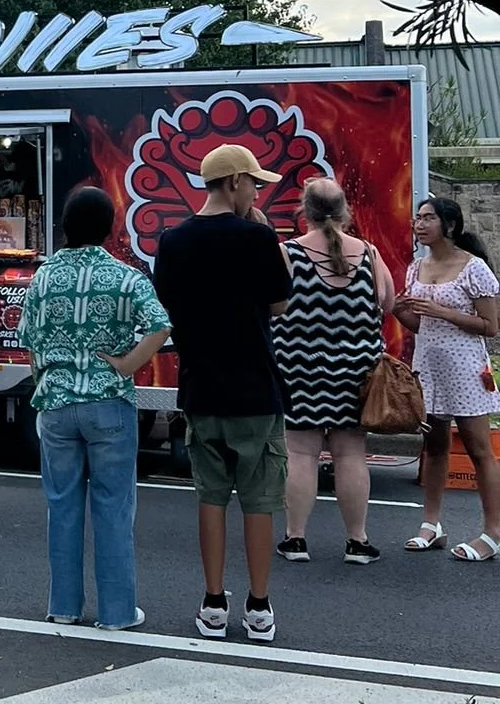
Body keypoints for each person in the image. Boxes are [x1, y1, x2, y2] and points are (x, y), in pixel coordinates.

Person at [153, 143, 291, 644]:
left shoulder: (173, 241)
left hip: (200, 387)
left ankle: (213, 604)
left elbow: (167, 304)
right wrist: (262, 233)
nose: (256, 191)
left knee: (210, 498)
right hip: (256, 387)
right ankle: (259, 608)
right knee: (258, 500)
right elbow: (278, 304)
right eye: (254, 182)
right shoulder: (258, 238)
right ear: (234, 183)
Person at [20, 186, 170, 630]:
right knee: (114, 507)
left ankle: (64, 608)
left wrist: (49, 376)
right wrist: (125, 365)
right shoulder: (126, 277)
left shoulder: (43, 278)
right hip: (108, 404)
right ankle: (118, 613)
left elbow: (29, 341)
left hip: (56, 404)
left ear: (66, 225)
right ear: (109, 228)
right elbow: (160, 326)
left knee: (62, 506)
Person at [272, 178, 396, 567]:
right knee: (350, 453)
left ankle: (296, 539)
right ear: (345, 212)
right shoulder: (370, 254)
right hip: (356, 374)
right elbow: (387, 303)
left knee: (300, 453)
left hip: (299, 370)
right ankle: (357, 542)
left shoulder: (287, 254)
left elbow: (268, 304)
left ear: (303, 211)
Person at [398, 196, 500, 561]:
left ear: (450, 226)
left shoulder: (474, 269)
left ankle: (492, 532)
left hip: (466, 369)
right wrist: (400, 313)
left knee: (478, 449)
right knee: (435, 446)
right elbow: (420, 326)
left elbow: (490, 326)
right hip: (429, 367)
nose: (420, 224)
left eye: (429, 218)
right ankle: (431, 524)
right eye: (418, 218)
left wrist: (443, 311)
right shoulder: (416, 267)